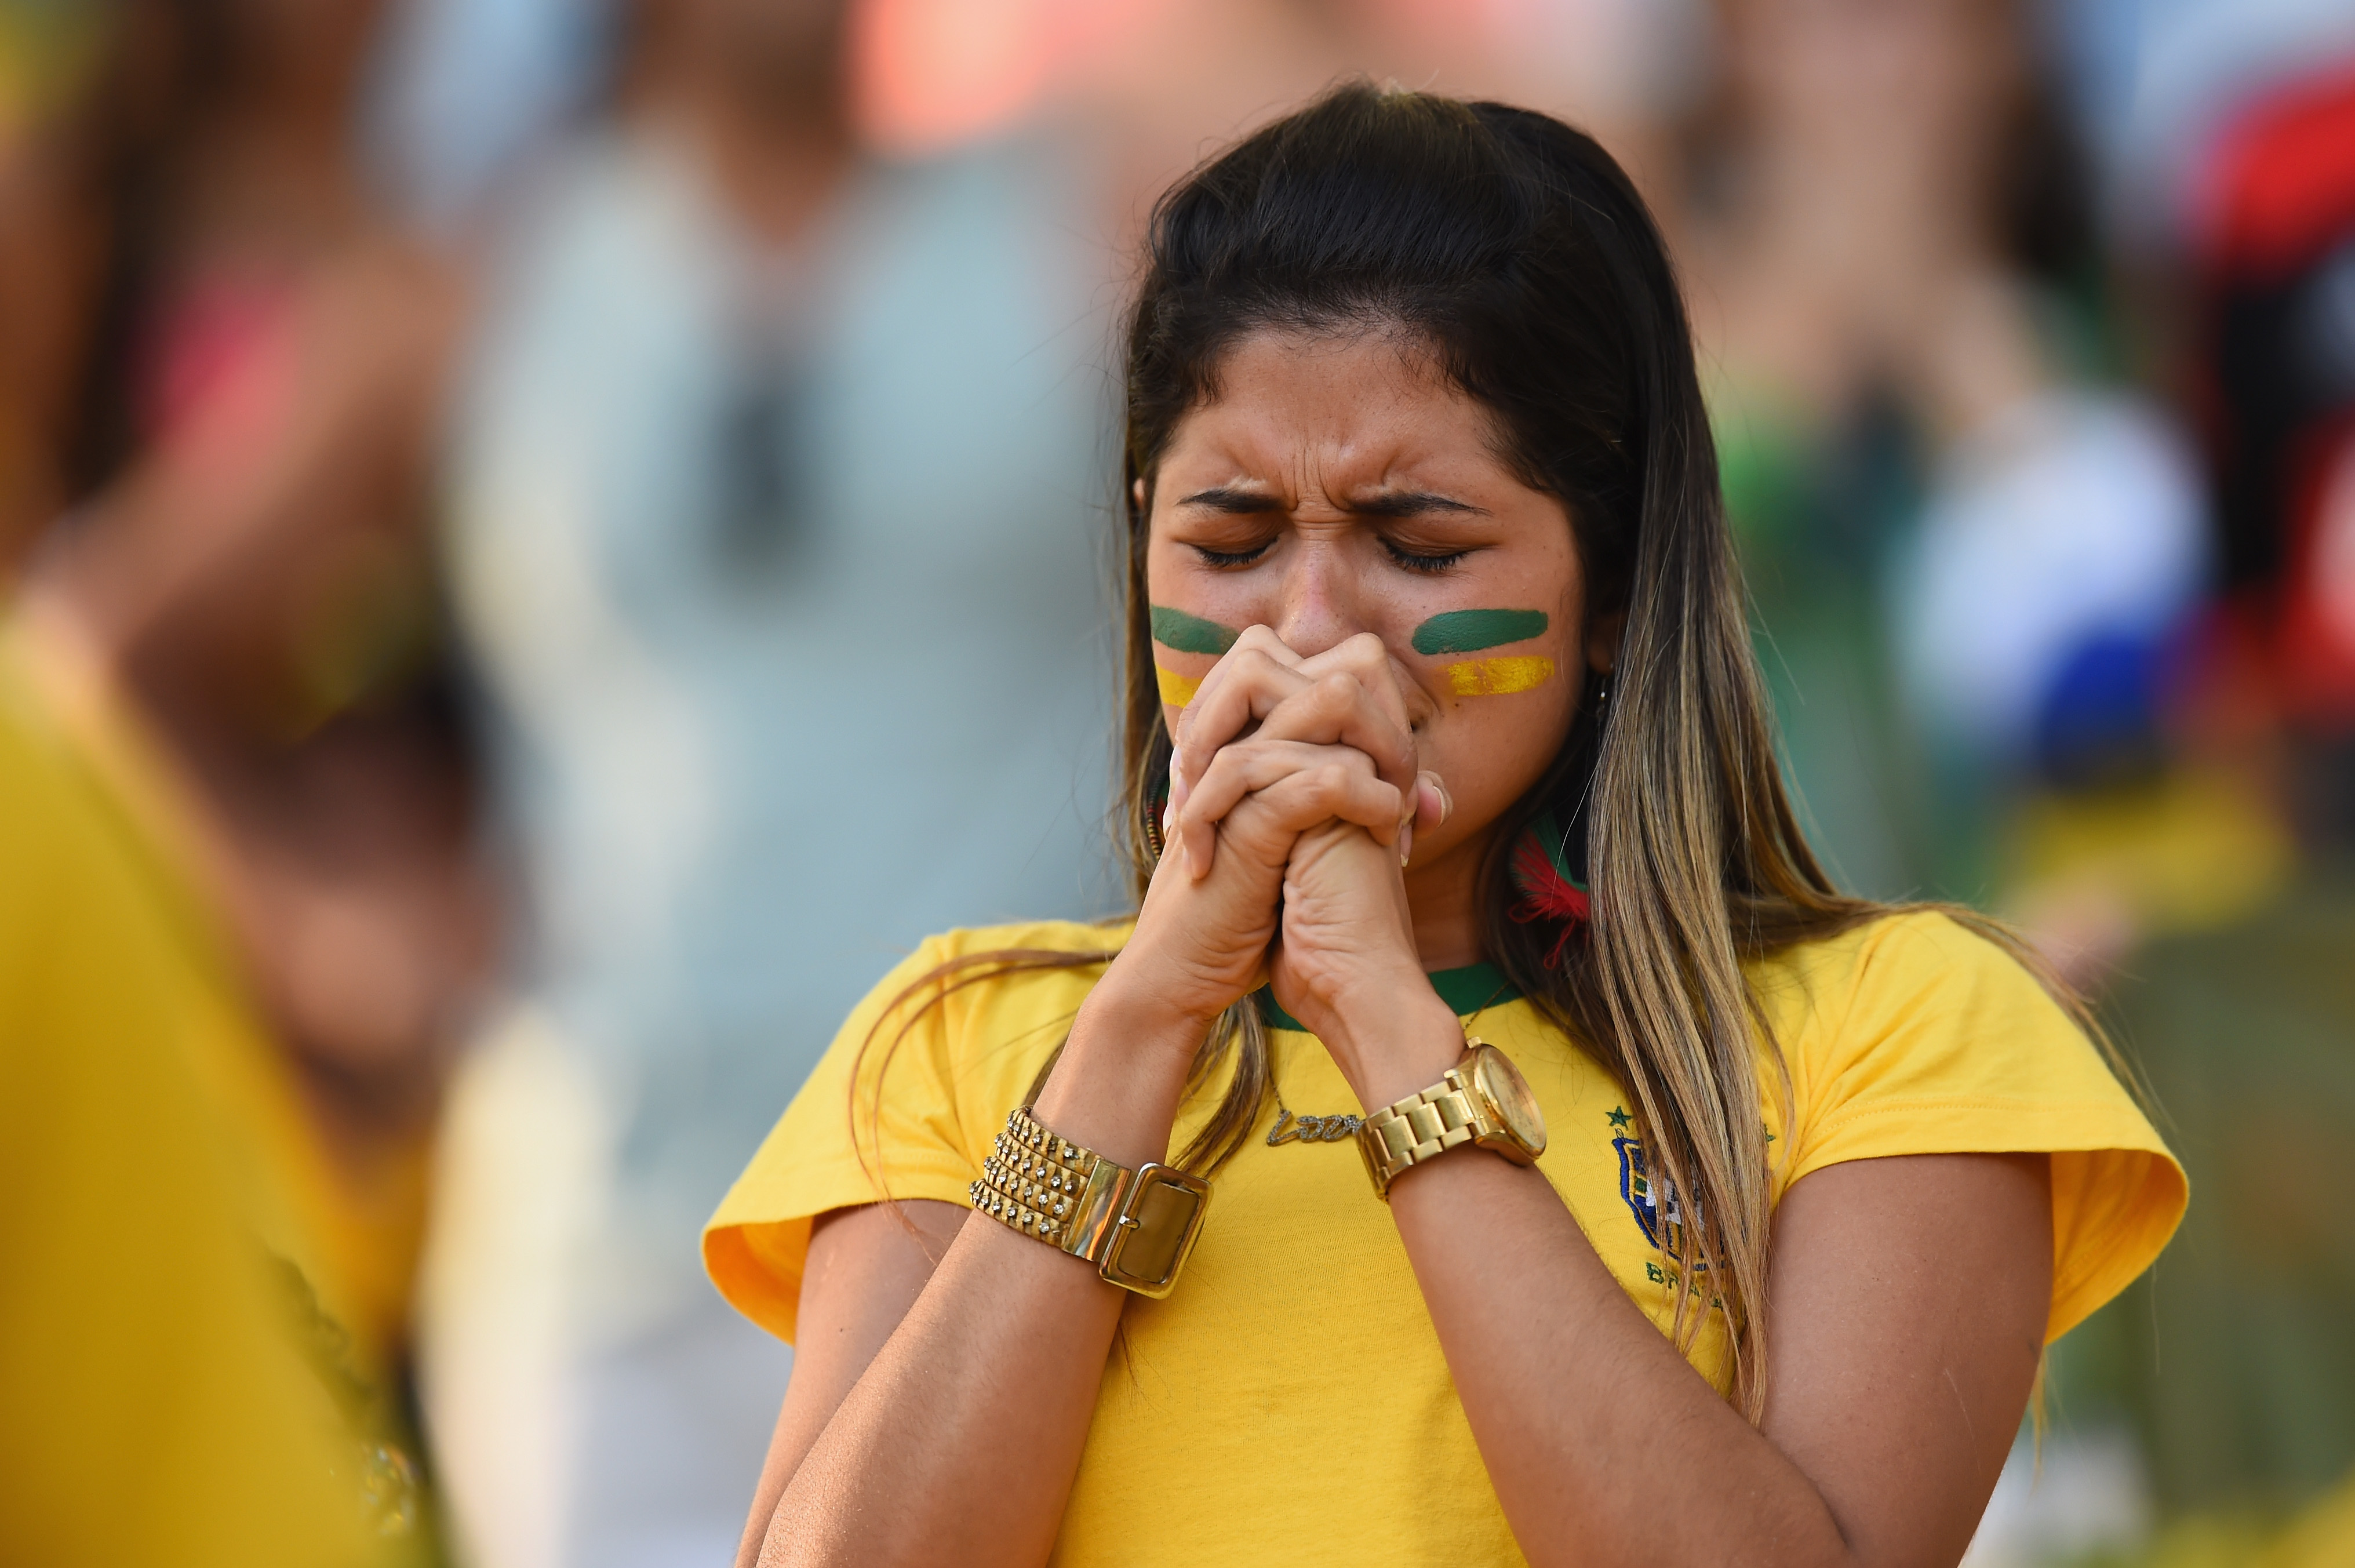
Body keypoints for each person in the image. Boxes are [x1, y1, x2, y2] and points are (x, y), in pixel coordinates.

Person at [704, 85, 2186, 1567]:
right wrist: (1143, 1023)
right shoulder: (959, 1039)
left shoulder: (1895, 1028)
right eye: (1230, 540)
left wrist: (1388, 1023)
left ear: (1614, 588)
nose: (1308, 631)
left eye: (1417, 546)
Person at [425, 0, 1109, 1560]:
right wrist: (330, 903)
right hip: (603, 1242)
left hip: (1000, 1209)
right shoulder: (497, 268)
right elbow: (102, 645)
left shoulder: (1087, 215)